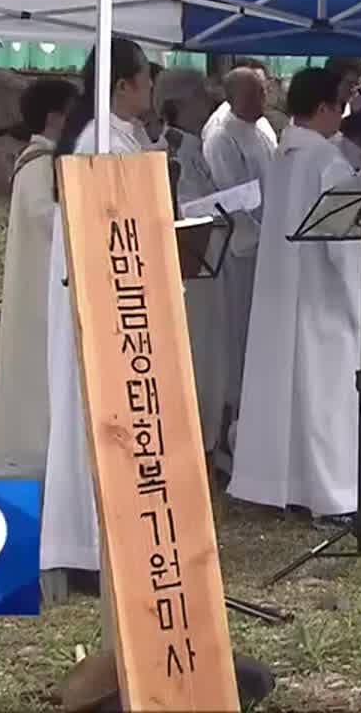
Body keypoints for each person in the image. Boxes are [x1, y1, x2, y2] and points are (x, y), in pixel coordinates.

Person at [229, 68, 361, 520]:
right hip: (322, 296)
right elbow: (344, 237)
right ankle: (333, 495)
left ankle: (287, 485)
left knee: (289, 393)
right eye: (339, 105)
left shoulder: (284, 154)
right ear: (322, 109)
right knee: (327, 396)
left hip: (283, 292)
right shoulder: (326, 161)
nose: (343, 113)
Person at [40, 39, 156, 580]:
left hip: (117, 291)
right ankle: (86, 544)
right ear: (122, 86)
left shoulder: (118, 134)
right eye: (146, 80)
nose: (152, 90)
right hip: (100, 292)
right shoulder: (101, 138)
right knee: (93, 412)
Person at [0, 77, 77, 466]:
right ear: (57, 118)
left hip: (46, 285)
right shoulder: (39, 164)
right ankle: (38, 457)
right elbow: (48, 218)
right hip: (41, 291)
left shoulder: (47, 160)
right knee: (39, 378)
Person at [152, 69, 235, 458]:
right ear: (180, 106)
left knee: (214, 350)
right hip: (190, 267)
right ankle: (196, 442)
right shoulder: (169, 154)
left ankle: (211, 436)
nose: (210, 104)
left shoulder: (193, 149)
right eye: (202, 98)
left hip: (210, 264)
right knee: (197, 354)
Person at [202, 65, 275, 459]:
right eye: (253, 95)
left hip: (268, 244)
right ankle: (231, 433)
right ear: (232, 98)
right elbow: (231, 198)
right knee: (238, 337)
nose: (262, 101)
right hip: (240, 252)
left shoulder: (263, 128)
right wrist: (263, 235)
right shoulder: (221, 135)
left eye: (264, 92)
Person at [203, 58, 276, 147]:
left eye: (263, 85)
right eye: (252, 85)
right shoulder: (219, 131)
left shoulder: (260, 121)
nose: (264, 92)